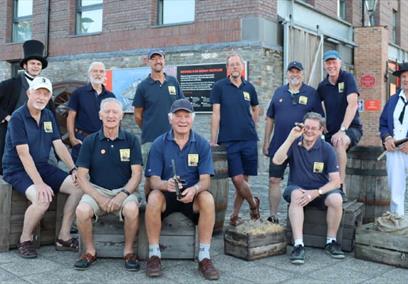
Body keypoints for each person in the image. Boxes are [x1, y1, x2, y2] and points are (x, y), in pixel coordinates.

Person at [2, 76, 82, 258]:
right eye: (38, 92)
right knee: (42, 199)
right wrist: (39, 183)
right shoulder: (17, 118)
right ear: (29, 93)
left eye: (45, 94)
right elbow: (23, 154)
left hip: (42, 166)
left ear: (49, 97)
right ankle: (25, 239)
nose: (41, 97)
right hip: (17, 169)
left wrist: (73, 169)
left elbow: (59, 145)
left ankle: (64, 236)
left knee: (79, 187)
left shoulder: (47, 115)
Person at [144, 99, 219, 280]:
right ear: (171, 119)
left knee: (207, 198)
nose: (182, 120)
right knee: (153, 197)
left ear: (192, 119)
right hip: (166, 196)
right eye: (178, 116)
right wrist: (165, 184)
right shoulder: (159, 143)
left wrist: (194, 189)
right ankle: (154, 255)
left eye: (186, 116)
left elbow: (205, 181)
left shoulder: (201, 144)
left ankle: (204, 256)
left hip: (191, 197)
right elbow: (152, 180)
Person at [74, 98, 142, 271]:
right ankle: (89, 252)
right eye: (107, 112)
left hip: (124, 191)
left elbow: (136, 174)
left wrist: (123, 195)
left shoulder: (131, 140)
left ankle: (128, 252)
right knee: (81, 210)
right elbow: (81, 177)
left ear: (121, 116)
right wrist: (99, 198)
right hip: (97, 191)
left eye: (115, 112)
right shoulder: (90, 141)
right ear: (100, 115)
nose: (111, 115)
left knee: (132, 209)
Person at [273, 112, 344, 265]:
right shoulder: (294, 143)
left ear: (320, 131)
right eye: (306, 127)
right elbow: (277, 160)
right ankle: (298, 245)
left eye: (314, 128)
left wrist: (316, 192)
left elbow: (336, 181)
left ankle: (331, 241)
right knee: (297, 195)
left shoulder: (327, 149)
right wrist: (291, 137)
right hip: (297, 188)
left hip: (320, 191)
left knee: (336, 199)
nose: (309, 131)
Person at [263, 61, 324, 224]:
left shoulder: (311, 93)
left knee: (300, 181)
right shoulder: (279, 92)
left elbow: (320, 120)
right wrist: (266, 141)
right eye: (292, 72)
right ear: (287, 74)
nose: (294, 75)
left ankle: (298, 217)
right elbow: (270, 118)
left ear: (302, 74)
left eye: (298, 72)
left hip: (302, 147)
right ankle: (273, 216)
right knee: (274, 180)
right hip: (279, 145)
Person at [210, 53, 260, 226]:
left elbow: (256, 108)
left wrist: (251, 125)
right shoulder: (219, 87)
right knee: (237, 179)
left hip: (249, 140)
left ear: (242, 67)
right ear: (227, 69)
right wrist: (213, 140)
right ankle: (254, 204)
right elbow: (216, 114)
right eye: (231, 65)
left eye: (237, 64)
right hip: (228, 141)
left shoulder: (249, 88)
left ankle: (235, 215)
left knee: (244, 181)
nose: (235, 67)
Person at [133, 49, 184, 196]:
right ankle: (150, 208)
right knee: (150, 178)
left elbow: (181, 107)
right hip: (150, 140)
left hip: (174, 140)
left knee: (172, 175)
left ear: (164, 60)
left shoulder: (173, 82)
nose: (157, 61)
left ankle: (166, 211)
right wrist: (150, 126)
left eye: (160, 58)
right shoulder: (143, 86)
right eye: (153, 59)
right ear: (149, 62)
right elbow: (137, 115)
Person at [317, 50, 363, 196]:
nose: (331, 66)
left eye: (334, 62)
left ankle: (340, 186)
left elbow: (353, 104)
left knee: (339, 142)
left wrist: (342, 129)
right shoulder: (322, 86)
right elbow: (318, 107)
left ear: (340, 63)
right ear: (324, 65)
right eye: (328, 63)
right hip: (330, 130)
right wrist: (322, 122)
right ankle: (320, 186)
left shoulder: (347, 78)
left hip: (351, 128)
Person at [0, 40, 49, 173]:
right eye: (32, 63)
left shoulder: (45, 89)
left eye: (38, 64)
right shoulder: (10, 84)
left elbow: (50, 115)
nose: (36, 66)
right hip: (11, 136)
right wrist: (6, 116)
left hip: (35, 137)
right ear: (25, 65)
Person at [67, 62, 115, 162]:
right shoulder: (78, 93)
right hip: (83, 140)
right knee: (80, 173)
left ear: (104, 74)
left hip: (104, 140)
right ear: (89, 74)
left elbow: (116, 118)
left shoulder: (110, 96)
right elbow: (71, 117)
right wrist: (72, 138)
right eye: (95, 71)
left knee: (103, 172)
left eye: (101, 71)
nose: (98, 74)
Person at [379, 62, 408, 216]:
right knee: (395, 189)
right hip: (395, 150)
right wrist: (387, 138)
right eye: (404, 76)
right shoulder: (393, 100)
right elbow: (383, 123)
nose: (406, 79)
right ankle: (398, 222)